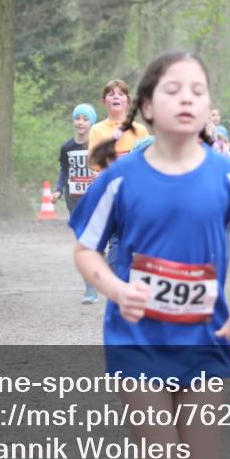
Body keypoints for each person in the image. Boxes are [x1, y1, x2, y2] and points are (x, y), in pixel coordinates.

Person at [70, 50, 230, 459]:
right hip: (136, 339)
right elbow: (85, 251)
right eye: (173, 89)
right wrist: (117, 289)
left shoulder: (227, 176)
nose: (186, 99)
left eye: (197, 91)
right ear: (146, 106)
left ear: (208, 108)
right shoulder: (120, 179)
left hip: (204, 339)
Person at [84, 80, 151, 303]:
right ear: (104, 100)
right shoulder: (97, 130)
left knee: (120, 242)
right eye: (111, 94)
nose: (116, 97)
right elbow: (95, 163)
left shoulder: (140, 130)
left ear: (127, 100)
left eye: (120, 94)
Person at [53, 103, 99, 301]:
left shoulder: (98, 146)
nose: (80, 122)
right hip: (74, 199)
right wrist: (58, 189)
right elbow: (64, 170)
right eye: (77, 118)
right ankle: (90, 288)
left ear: (92, 122)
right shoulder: (67, 147)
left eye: (85, 119)